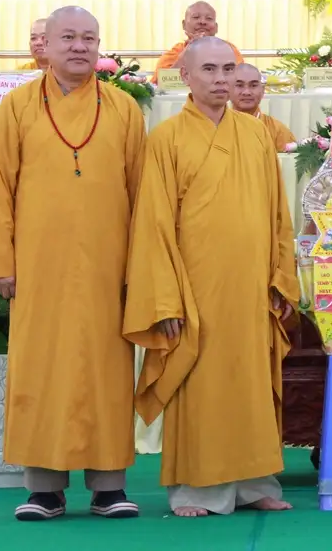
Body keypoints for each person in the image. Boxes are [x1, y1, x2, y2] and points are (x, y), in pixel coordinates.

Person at [0, 5, 146, 521]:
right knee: (41, 368)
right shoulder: (18, 106)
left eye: (88, 38)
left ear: (100, 47)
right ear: (44, 46)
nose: (79, 46)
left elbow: (143, 193)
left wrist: (141, 268)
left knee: (105, 369)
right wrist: (0, 262)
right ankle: (44, 489)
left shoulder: (123, 108)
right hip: (37, 264)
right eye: (68, 37)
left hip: (107, 263)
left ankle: (109, 486)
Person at [123, 36, 299, 517]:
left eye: (228, 69)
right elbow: (153, 225)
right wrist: (165, 300)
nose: (222, 80)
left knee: (251, 383)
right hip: (194, 287)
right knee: (201, 383)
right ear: (185, 76)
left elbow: (277, 213)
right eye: (210, 70)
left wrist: (280, 276)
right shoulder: (166, 139)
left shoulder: (256, 134)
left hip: (251, 284)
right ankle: (196, 489)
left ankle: (255, 483)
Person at [154, 1, 244, 82]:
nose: (202, 22)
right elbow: (163, 85)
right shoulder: (174, 53)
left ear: (216, 27)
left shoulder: (228, 50)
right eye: (196, 17)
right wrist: (189, 50)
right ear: (184, 25)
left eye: (209, 18)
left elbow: (241, 81)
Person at [230, 63, 296, 149]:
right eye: (239, 85)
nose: (247, 92)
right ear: (228, 89)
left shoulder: (277, 130)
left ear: (262, 90)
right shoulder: (219, 127)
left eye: (253, 85)